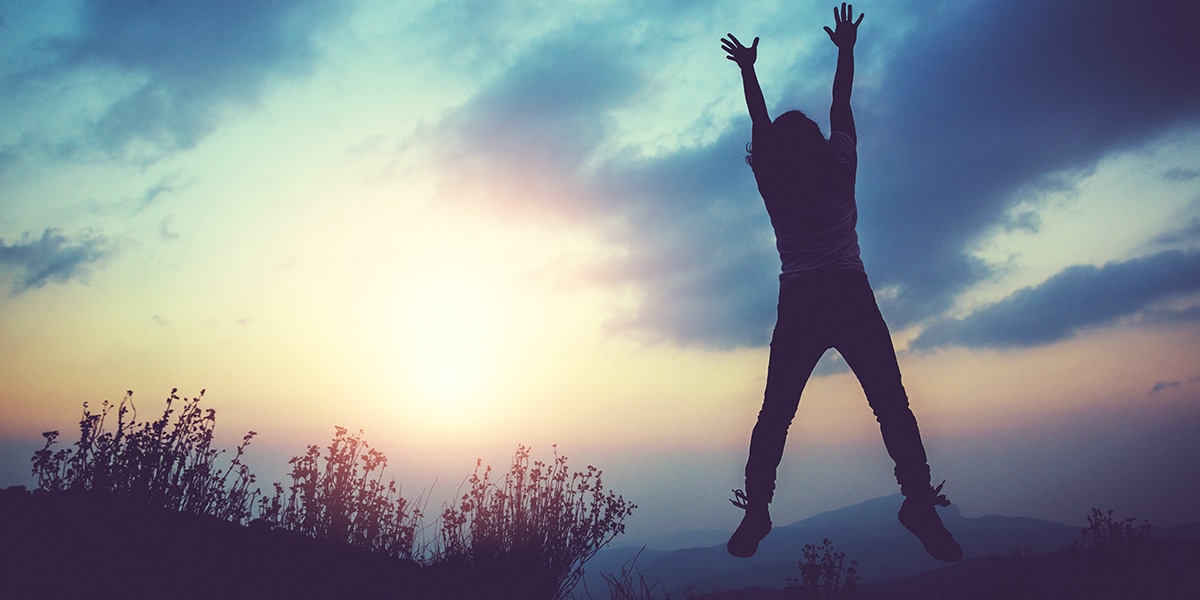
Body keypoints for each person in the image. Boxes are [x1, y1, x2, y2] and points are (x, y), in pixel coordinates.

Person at [720, 4, 962, 563]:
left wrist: (749, 71)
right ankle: (919, 503)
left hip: (801, 300)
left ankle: (758, 509)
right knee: (892, 406)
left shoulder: (773, 181)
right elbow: (840, 105)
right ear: (816, 142)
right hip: (850, 293)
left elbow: (760, 124)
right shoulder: (840, 165)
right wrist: (846, 48)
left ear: (778, 152)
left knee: (775, 411)